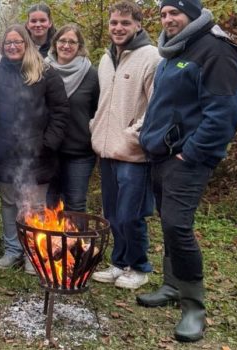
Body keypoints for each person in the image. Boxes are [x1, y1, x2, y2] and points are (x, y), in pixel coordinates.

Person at [138, 0, 237, 342]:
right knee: (167, 223)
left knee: (177, 225)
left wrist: (192, 153)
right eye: (164, 13)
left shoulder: (215, 50)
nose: (168, 18)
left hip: (187, 159)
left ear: (194, 14)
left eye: (175, 12)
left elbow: (224, 112)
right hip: (161, 154)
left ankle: (194, 307)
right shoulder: (175, 51)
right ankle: (171, 285)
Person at [89, 1, 161, 290]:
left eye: (125, 23)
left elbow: (156, 107)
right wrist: (95, 126)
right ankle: (119, 263)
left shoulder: (152, 58)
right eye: (114, 23)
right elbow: (102, 103)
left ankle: (139, 266)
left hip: (134, 154)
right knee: (112, 213)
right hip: (106, 151)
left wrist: (133, 134)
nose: (118, 28)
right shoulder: (106, 59)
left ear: (138, 25)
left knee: (132, 215)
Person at [0, 25, 69, 270]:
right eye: (8, 43)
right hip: (4, 153)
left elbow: (60, 111)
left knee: (34, 205)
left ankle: (33, 252)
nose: (13, 46)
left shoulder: (46, 73)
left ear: (27, 44)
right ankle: (13, 249)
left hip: (38, 153)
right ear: (2, 47)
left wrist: (48, 143)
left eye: (18, 42)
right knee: (10, 202)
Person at [44, 24, 99, 213]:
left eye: (72, 42)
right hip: (48, 150)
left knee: (75, 204)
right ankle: (52, 244)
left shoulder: (91, 75)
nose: (66, 45)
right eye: (62, 41)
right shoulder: (42, 70)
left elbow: (97, 111)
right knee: (49, 204)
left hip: (80, 152)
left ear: (79, 46)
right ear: (55, 43)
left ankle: (75, 243)